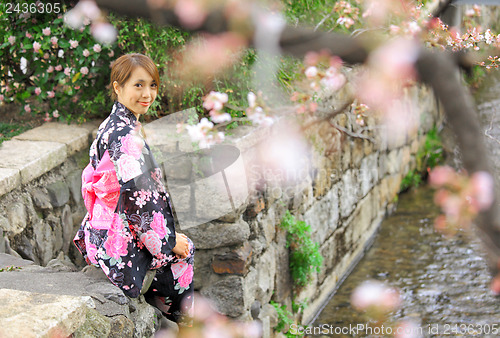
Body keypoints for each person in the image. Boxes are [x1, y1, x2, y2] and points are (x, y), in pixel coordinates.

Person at [73, 53, 194, 325]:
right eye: (138, 85)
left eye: (152, 85)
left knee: (174, 239)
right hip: (117, 248)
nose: (147, 93)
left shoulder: (112, 125)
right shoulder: (126, 136)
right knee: (185, 250)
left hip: (100, 232)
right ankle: (185, 324)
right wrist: (169, 241)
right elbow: (140, 202)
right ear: (118, 87)